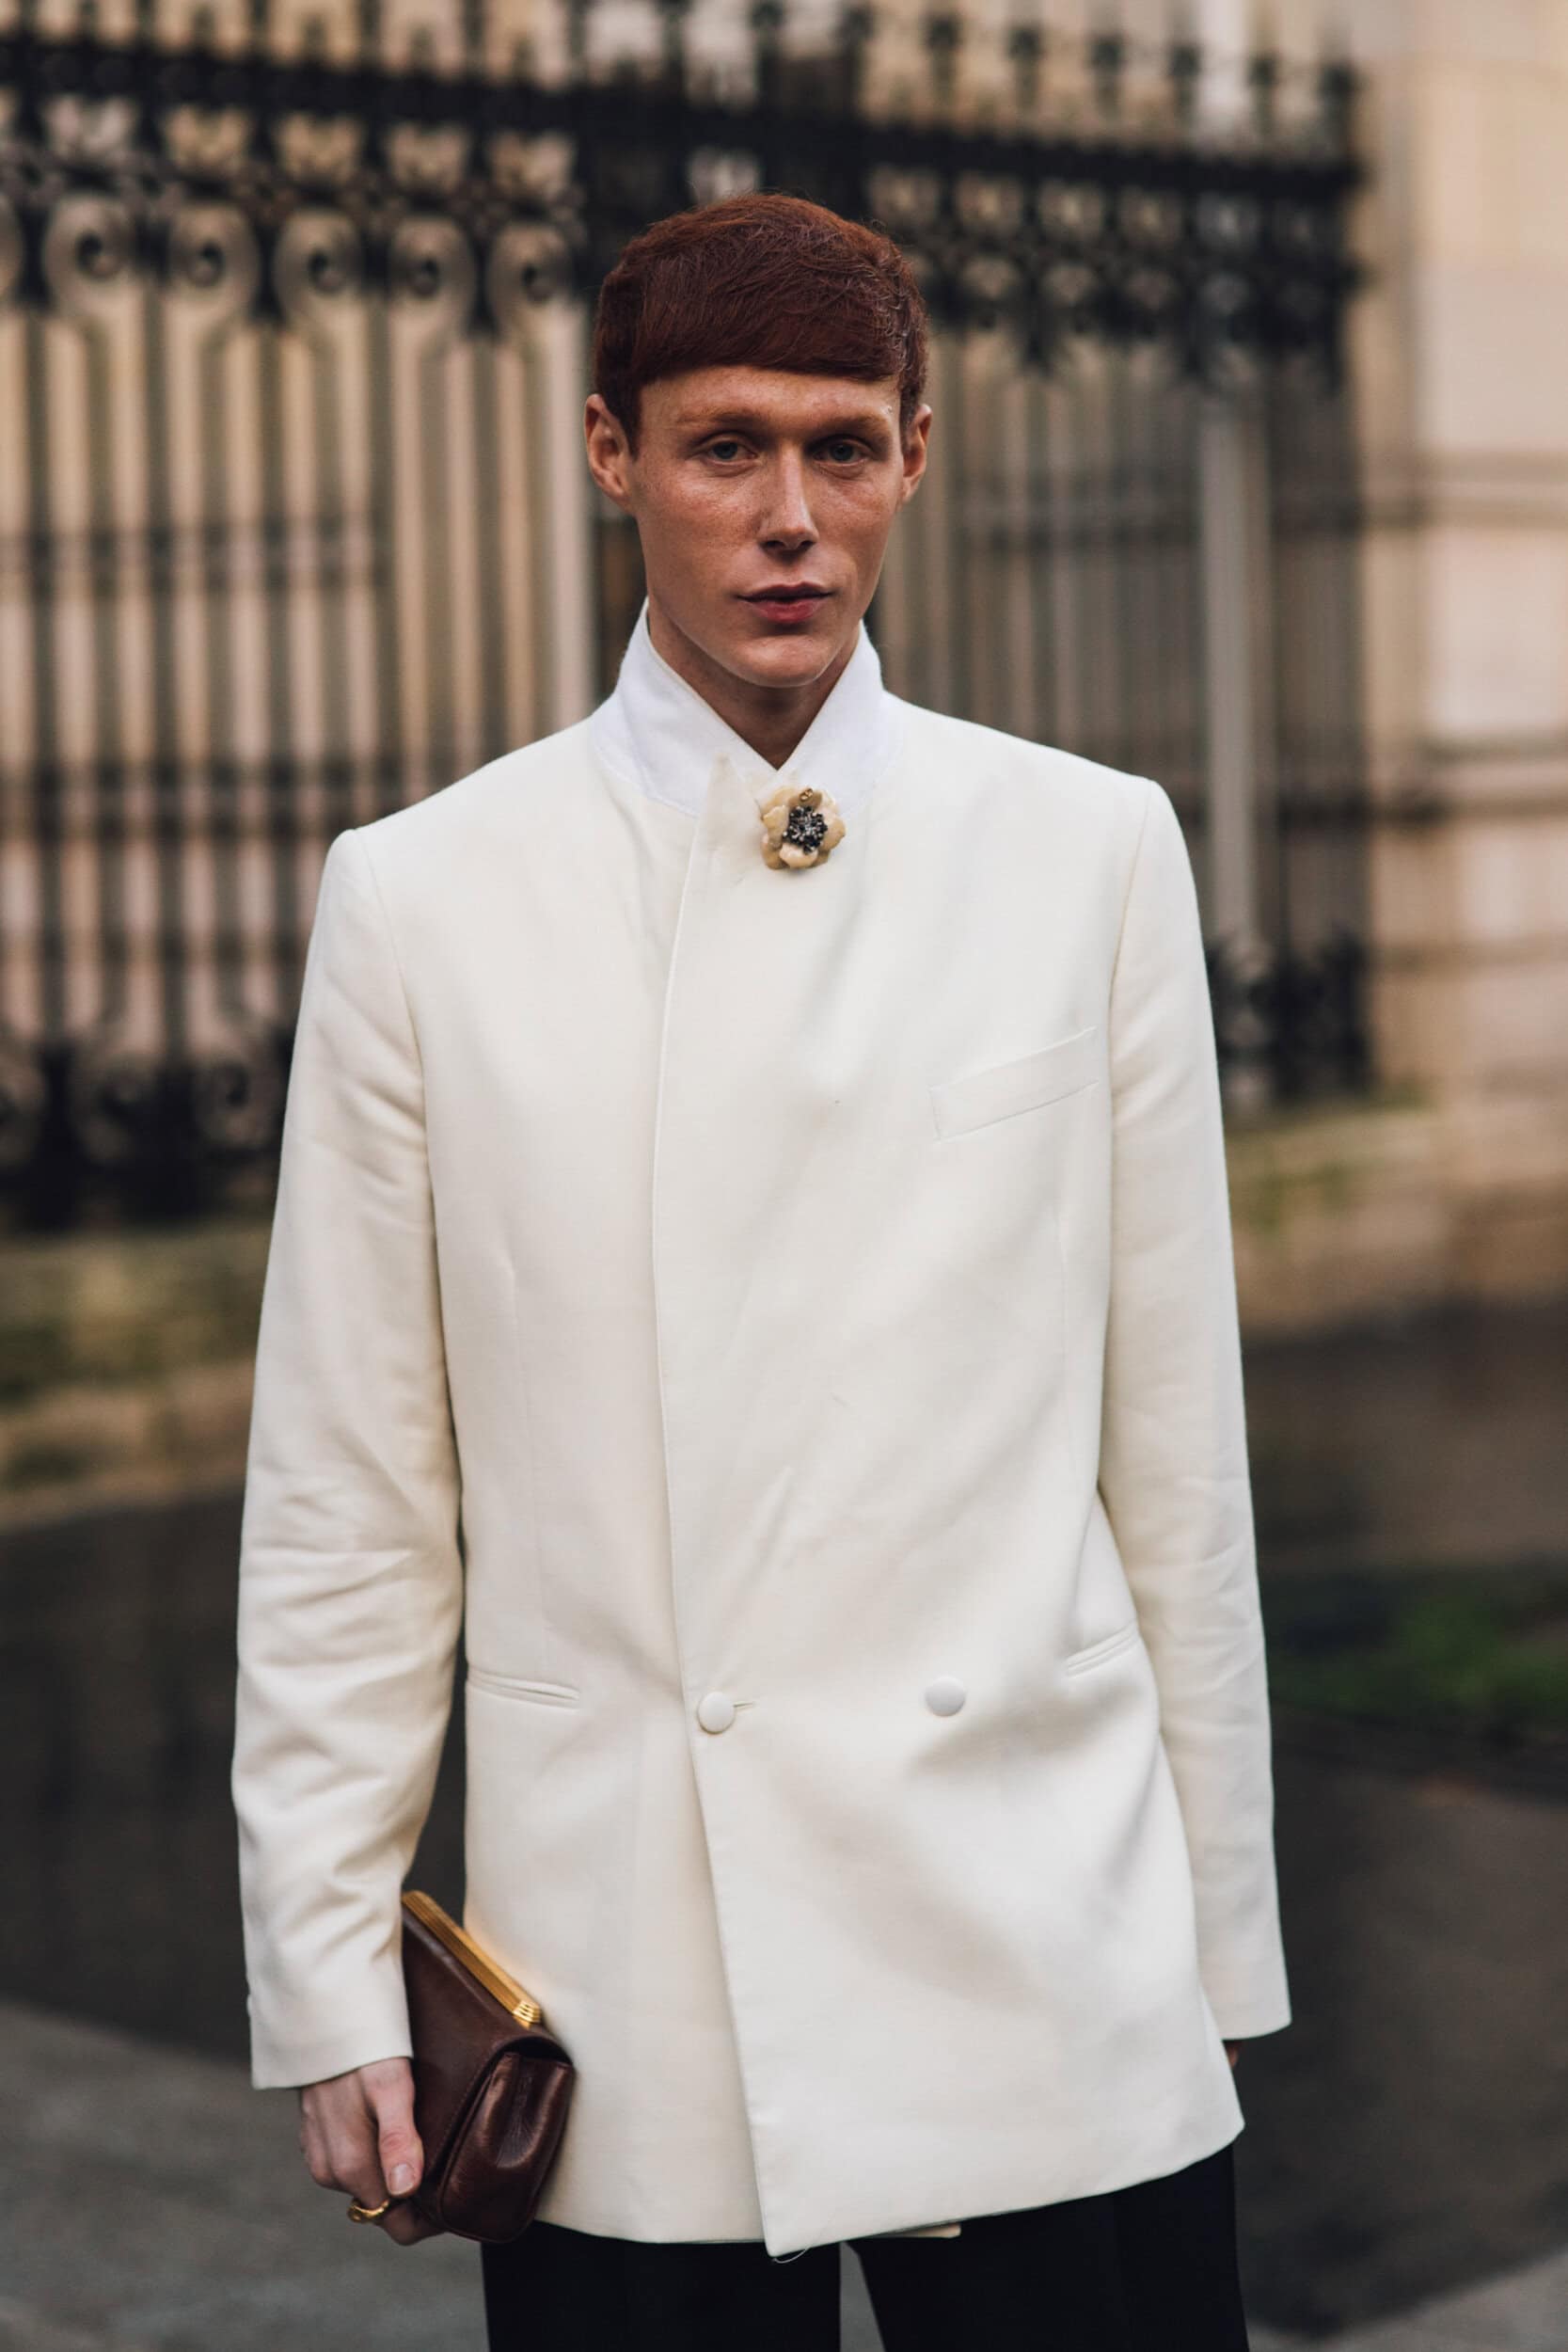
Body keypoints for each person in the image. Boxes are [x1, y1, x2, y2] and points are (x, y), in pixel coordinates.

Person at [232, 192, 1291, 2350]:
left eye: (842, 447)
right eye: (726, 446)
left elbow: (1175, 1457)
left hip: (1041, 1935)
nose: (790, 515)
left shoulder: (1087, 850)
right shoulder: (426, 899)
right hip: (634, 1965)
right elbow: (352, 1492)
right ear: (611, 452)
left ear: (917, 455)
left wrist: (1216, 1944)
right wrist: (329, 1969)